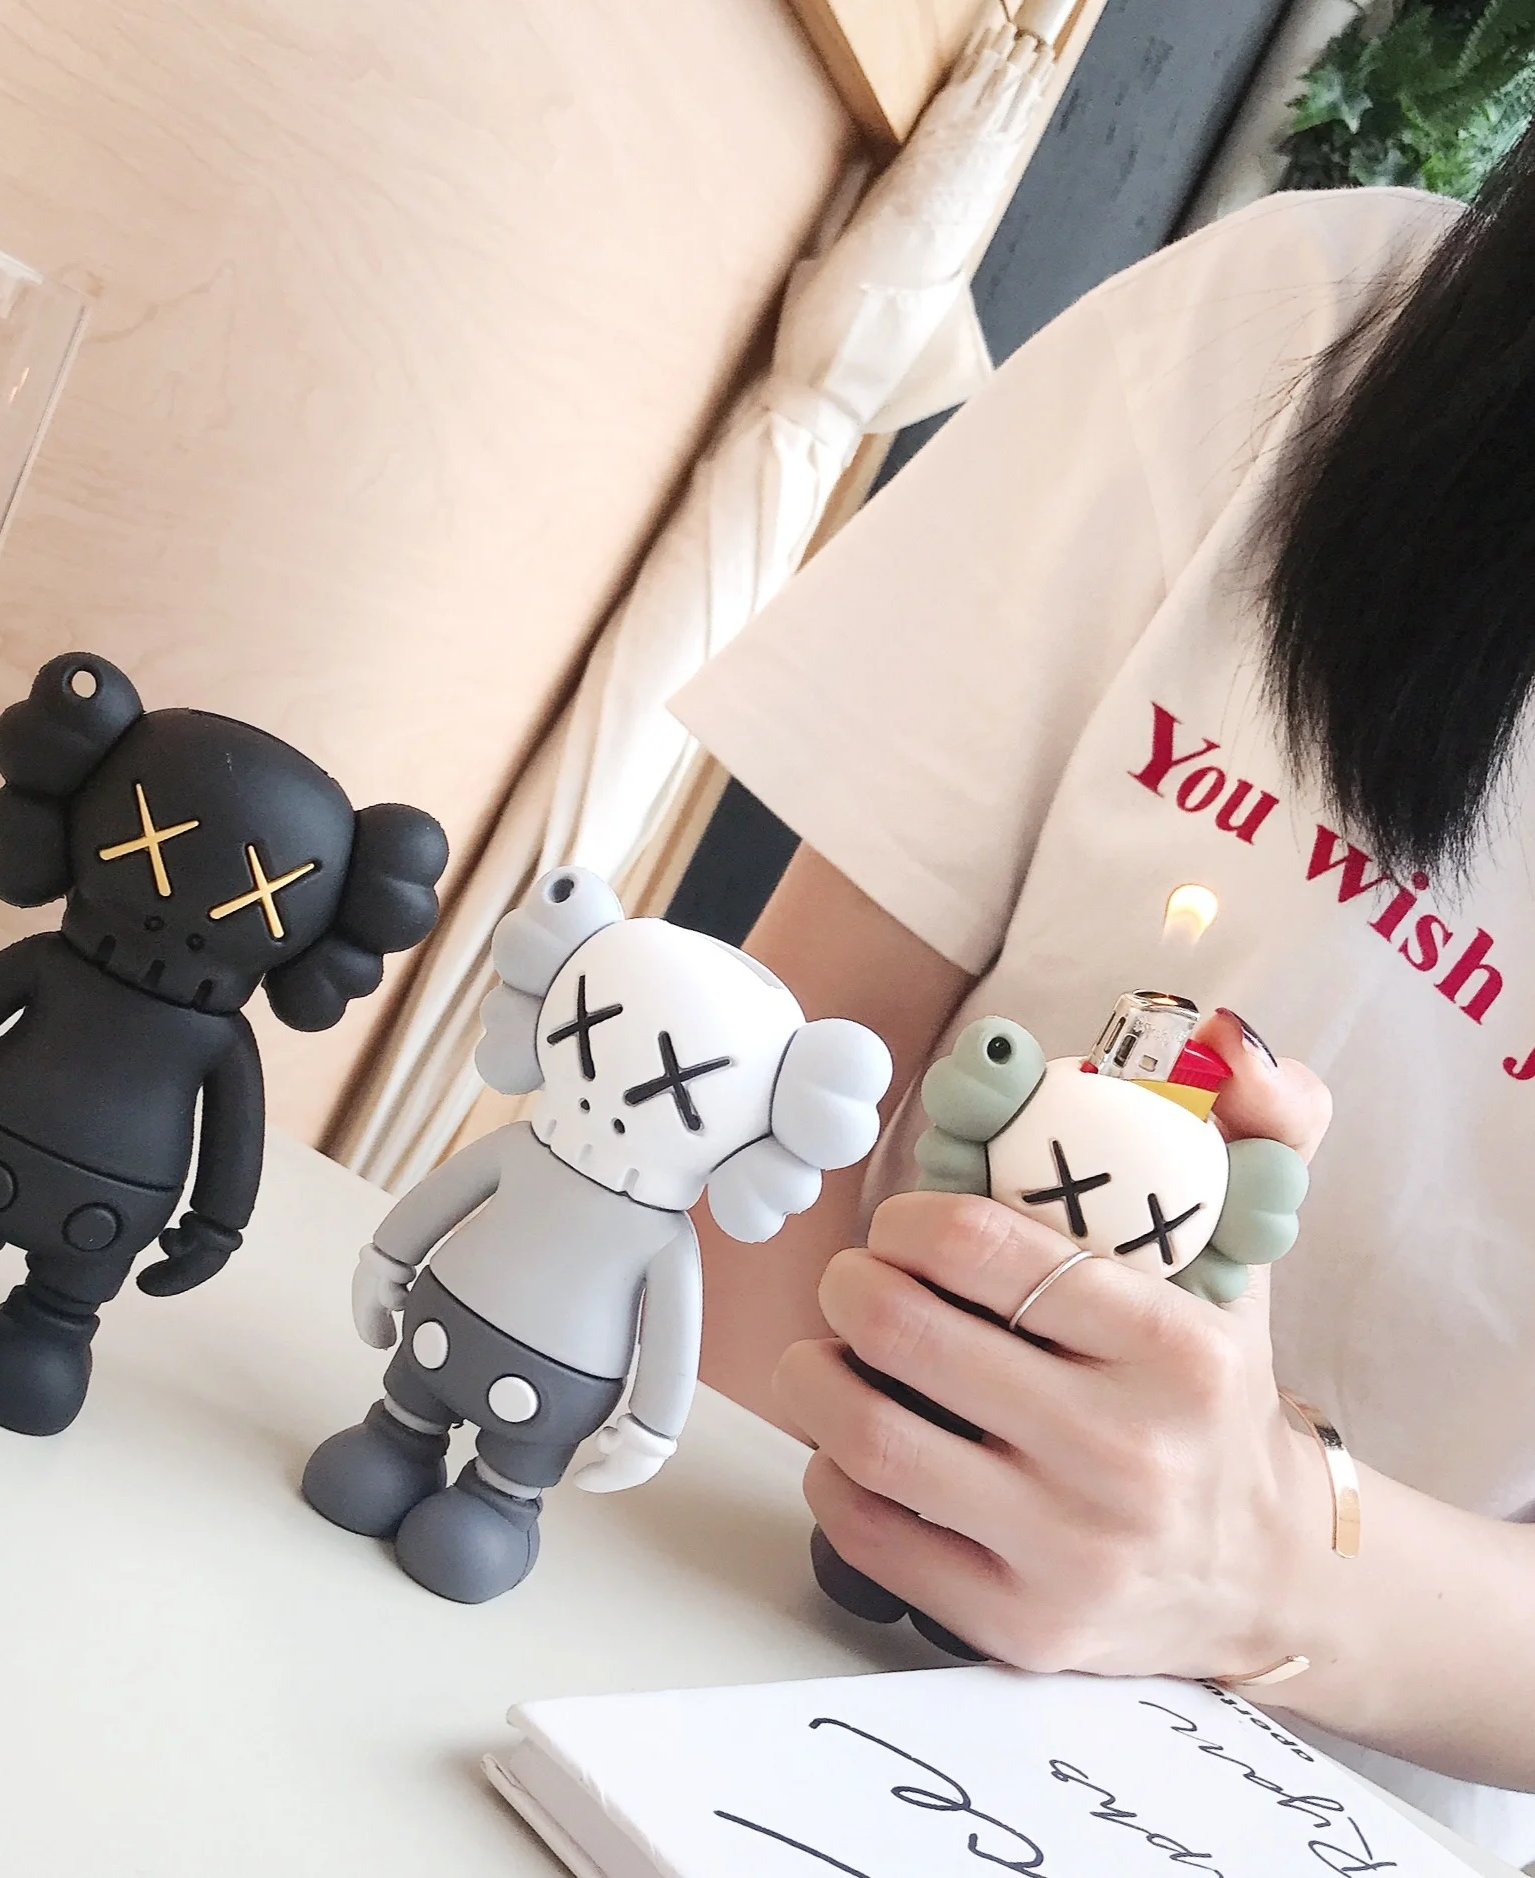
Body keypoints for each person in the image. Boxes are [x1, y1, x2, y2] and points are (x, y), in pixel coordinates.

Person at [670, 140, 1535, 1865]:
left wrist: (1266, 1559)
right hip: (762, 1597)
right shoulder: (1309, 328)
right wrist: (775, 1598)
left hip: (1335, 1815)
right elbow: (793, 1075)